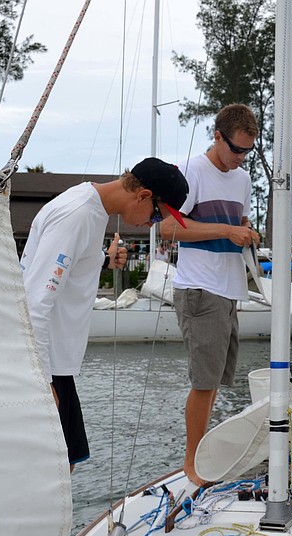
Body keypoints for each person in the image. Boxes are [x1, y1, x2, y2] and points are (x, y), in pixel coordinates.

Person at [20, 157, 188, 472]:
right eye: (155, 217)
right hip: (45, 363)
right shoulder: (77, 214)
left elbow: (69, 259)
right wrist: (41, 383)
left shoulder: (90, 207)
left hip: (56, 362)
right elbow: (36, 302)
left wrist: (102, 259)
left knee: (64, 465)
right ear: (143, 195)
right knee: (52, 471)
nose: (151, 225)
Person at [159, 103, 261, 486]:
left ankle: (201, 457)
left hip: (229, 288)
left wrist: (246, 230)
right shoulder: (191, 171)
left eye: (248, 151)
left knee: (215, 381)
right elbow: (168, 228)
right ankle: (192, 463)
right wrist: (225, 231)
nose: (241, 158)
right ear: (217, 136)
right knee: (203, 383)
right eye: (236, 149)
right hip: (200, 288)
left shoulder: (244, 178)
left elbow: (240, 220)